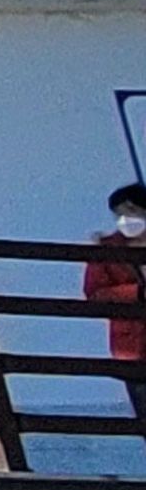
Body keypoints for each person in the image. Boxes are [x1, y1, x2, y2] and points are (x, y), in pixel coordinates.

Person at [89, 181, 146, 429]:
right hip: (132, 347)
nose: (125, 220)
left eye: (131, 212)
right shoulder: (106, 249)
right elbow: (95, 294)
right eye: (119, 214)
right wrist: (137, 292)